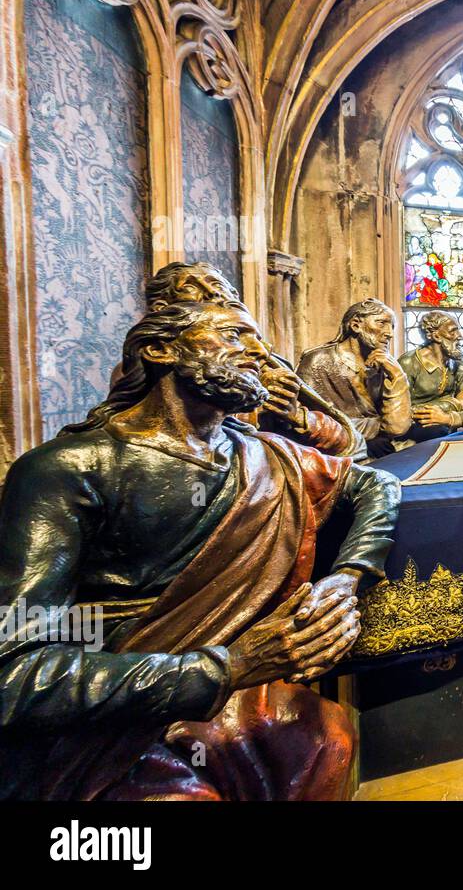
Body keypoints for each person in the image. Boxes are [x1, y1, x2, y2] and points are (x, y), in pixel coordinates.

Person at [0, 300, 401, 799]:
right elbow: (15, 675)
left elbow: (374, 483)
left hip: (239, 702)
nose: (261, 354)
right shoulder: (69, 468)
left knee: (321, 735)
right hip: (122, 715)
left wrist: (348, 575)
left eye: (260, 340)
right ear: (160, 349)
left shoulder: (264, 455)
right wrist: (227, 667)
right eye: (235, 335)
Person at [133, 261, 365, 457]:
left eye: (220, 287)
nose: (216, 295)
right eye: (194, 289)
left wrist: (294, 414)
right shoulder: (150, 366)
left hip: (283, 477)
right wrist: (253, 409)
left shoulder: (266, 362)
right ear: (162, 310)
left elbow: (348, 444)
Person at [298, 299, 413, 459]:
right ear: (356, 325)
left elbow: (397, 427)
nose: (390, 333)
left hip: (377, 442)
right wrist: (378, 426)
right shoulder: (319, 361)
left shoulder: (381, 364)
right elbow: (309, 420)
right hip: (337, 448)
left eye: (392, 326)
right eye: (381, 323)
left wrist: (398, 376)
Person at [397, 310, 463, 442]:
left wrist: (447, 413)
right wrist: (455, 402)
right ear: (436, 336)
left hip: (448, 430)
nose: (460, 336)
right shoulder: (409, 363)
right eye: (452, 331)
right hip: (415, 432)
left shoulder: (459, 366)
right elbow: (400, 412)